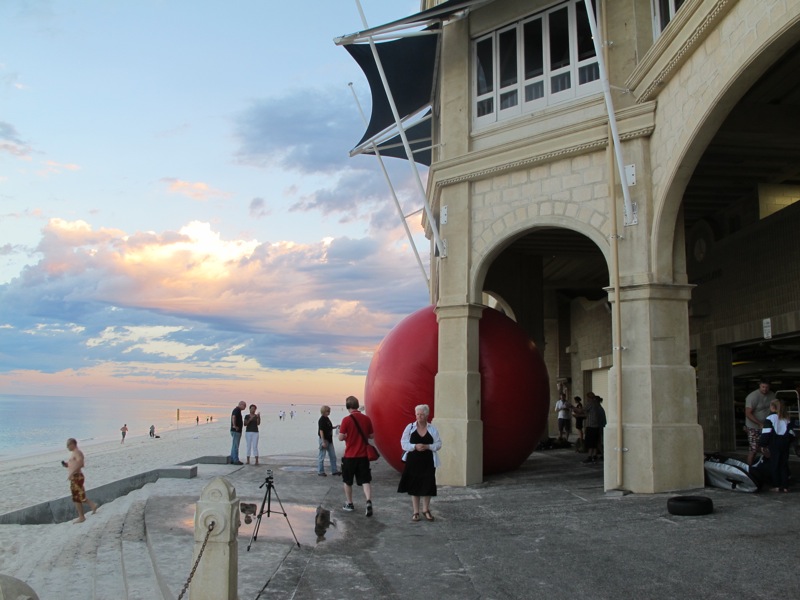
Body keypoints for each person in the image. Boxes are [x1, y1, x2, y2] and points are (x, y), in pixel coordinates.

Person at [398, 404, 442, 522]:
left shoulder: (432, 429)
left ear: (427, 415)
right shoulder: (410, 427)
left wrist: (428, 446)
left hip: (428, 461)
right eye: (417, 414)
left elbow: (438, 444)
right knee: (414, 485)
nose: (419, 417)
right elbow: (403, 443)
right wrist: (414, 446)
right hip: (413, 461)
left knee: (428, 484)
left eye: (422, 414)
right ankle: (415, 512)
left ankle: (426, 510)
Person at [338, 395, 374, 516]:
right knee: (365, 480)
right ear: (358, 405)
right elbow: (371, 436)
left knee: (347, 481)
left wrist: (347, 436)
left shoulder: (346, 420)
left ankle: (350, 503)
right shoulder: (366, 419)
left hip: (350, 456)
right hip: (363, 456)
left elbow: (341, 437)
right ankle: (368, 501)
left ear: (348, 406)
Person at [758, 399, 798, 492]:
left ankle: (777, 485)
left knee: (775, 464)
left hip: (774, 443)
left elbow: (766, 433)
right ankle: (785, 486)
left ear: (772, 407)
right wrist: (788, 441)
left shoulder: (770, 418)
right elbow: (792, 433)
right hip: (785, 443)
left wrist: (763, 445)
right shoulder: (787, 418)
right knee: (783, 464)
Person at [62, 438, 98, 523]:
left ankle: (85, 513)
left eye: (68, 445)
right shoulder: (74, 453)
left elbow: (81, 463)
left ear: (73, 444)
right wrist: (66, 465)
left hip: (77, 476)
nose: (67, 447)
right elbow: (74, 464)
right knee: (77, 497)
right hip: (75, 477)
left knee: (78, 497)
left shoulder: (77, 452)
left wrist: (72, 474)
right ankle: (89, 509)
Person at [745, 378, 775, 465]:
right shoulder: (752, 396)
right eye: (763, 387)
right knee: (753, 450)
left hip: (766, 426)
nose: (765, 389)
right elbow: (748, 413)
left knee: (768, 449)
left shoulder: (772, 395)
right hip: (753, 427)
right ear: (759, 386)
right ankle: (749, 469)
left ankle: (768, 467)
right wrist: (759, 423)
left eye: (767, 387)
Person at [582, 393, 605, 464]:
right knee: (596, 442)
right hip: (598, 427)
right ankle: (595, 455)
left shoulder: (594, 406)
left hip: (595, 427)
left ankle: (593, 456)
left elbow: (583, 411)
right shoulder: (598, 408)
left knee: (593, 443)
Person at [318, 405, 340, 476]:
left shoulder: (327, 419)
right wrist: (323, 441)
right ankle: (320, 471)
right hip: (324, 439)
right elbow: (321, 431)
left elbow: (329, 427)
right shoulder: (321, 420)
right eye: (328, 411)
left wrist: (335, 427)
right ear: (324, 411)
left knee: (333, 456)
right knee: (322, 456)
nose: (329, 413)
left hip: (329, 440)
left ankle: (334, 470)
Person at [230, 401, 246, 465]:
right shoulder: (237, 410)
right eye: (244, 406)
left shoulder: (237, 410)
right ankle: (235, 460)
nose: (245, 407)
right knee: (236, 446)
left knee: (234, 445)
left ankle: (232, 459)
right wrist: (234, 425)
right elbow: (233, 417)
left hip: (236, 431)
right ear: (241, 405)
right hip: (236, 431)